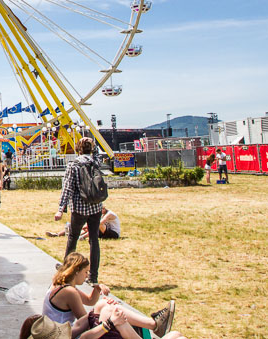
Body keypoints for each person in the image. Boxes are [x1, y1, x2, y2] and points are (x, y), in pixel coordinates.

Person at [43, 253, 180, 339]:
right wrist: (107, 313)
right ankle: (154, 325)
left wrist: (97, 292)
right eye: (86, 272)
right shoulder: (69, 292)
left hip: (67, 331)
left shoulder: (61, 286)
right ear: (76, 271)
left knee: (104, 306)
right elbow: (84, 319)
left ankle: (154, 325)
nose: (86, 277)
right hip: (68, 334)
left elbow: (89, 301)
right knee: (107, 309)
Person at [55, 138, 104, 284]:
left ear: (78, 149)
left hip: (79, 207)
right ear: (92, 148)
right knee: (94, 240)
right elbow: (99, 154)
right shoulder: (96, 162)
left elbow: (68, 188)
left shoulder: (74, 164)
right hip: (95, 206)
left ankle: (66, 270)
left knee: (73, 238)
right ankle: (93, 276)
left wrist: (60, 209)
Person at [48, 207, 120, 240]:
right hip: (103, 232)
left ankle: (81, 237)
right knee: (79, 226)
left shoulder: (110, 214)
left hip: (113, 234)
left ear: (103, 209)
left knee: (97, 225)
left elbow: (100, 223)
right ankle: (58, 234)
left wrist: (88, 226)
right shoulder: (102, 214)